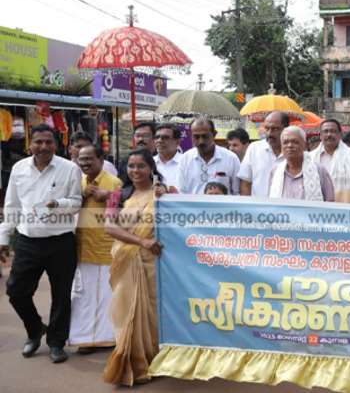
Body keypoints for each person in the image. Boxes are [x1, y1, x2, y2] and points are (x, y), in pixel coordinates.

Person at [0, 124, 82, 363]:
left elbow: (76, 202)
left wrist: (57, 204)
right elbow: (12, 205)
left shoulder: (69, 168)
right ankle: (35, 328)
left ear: (56, 144)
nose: (43, 146)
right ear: (30, 144)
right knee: (16, 291)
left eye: (48, 142)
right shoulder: (19, 169)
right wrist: (3, 237)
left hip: (61, 241)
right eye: (38, 142)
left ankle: (56, 342)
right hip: (28, 241)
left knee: (61, 296)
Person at [103, 149, 175, 385]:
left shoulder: (165, 193)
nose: (135, 171)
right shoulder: (119, 195)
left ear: (151, 169)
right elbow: (110, 227)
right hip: (126, 258)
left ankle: (154, 360)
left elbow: (180, 222)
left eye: (141, 166)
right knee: (127, 310)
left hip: (156, 261)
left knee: (152, 312)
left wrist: (165, 199)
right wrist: (142, 241)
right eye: (131, 166)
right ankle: (132, 362)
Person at [70, 145, 123, 354]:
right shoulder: (78, 182)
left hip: (105, 248)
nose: (84, 163)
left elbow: (126, 211)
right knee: (83, 296)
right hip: (83, 246)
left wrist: (110, 196)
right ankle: (85, 337)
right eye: (81, 159)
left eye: (89, 158)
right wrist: (81, 195)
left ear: (101, 160)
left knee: (106, 296)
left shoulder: (114, 182)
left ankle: (106, 338)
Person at [176, 118, 241, 195]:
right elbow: (181, 192)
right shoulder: (185, 159)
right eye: (196, 137)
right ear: (190, 135)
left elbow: (237, 192)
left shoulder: (231, 158)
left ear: (214, 134)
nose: (201, 141)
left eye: (205, 136)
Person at [270, 127, 335, 201]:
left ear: (305, 146)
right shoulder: (275, 171)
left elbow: (330, 202)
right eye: (285, 142)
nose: (290, 145)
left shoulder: (319, 170)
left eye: (295, 142)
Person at [239, 111, 288, 197]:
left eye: (275, 129)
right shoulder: (254, 148)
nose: (269, 133)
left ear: (286, 129)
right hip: (258, 205)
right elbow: (245, 184)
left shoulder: (293, 152)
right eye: (267, 128)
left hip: (286, 204)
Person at [311, 119, 350, 203]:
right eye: (325, 131)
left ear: (340, 134)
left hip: (344, 207)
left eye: (333, 131)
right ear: (320, 135)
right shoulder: (311, 158)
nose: (329, 134)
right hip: (316, 207)